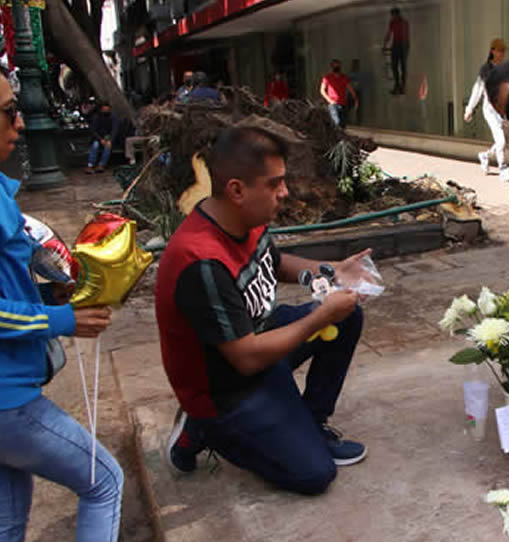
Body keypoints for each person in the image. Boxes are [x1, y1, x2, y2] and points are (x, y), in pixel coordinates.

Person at [156, 126, 371, 495]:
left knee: (348, 314)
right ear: (237, 190)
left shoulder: (243, 220)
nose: (284, 193)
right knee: (313, 475)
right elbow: (246, 359)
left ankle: (310, 423)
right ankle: (203, 427)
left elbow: (274, 262)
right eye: (275, 184)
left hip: (257, 340)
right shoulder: (200, 262)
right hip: (226, 387)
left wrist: (331, 271)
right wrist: (320, 315)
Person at [0, 70, 123, 542]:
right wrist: (61, 319)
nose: (21, 123)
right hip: (8, 402)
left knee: (9, 520)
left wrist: (49, 293)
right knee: (104, 483)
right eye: (10, 112)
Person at [464, 38, 509, 182]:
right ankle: (503, 169)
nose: (502, 53)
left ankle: (485, 156)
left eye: (503, 51)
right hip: (490, 111)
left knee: (502, 141)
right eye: (500, 50)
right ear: (493, 51)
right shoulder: (486, 69)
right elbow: (478, 89)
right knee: (501, 141)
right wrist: (469, 109)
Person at [320, 59, 358, 129]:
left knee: (343, 124)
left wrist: (355, 99)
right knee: (336, 122)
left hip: (343, 103)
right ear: (331, 67)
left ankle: (339, 138)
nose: (337, 67)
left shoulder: (344, 77)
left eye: (338, 65)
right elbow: (322, 90)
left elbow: (350, 89)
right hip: (333, 104)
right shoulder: (327, 78)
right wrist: (330, 100)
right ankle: (336, 137)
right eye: (335, 65)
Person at [86, 101, 118, 174]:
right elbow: (93, 130)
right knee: (95, 145)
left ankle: (101, 165)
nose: (106, 111)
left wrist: (110, 139)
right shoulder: (96, 117)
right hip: (98, 137)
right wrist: (100, 139)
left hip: (108, 137)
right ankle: (90, 165)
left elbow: (115, 130)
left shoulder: (113, 117)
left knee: (108, 146)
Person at [383, 7, 409, 95]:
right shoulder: (392, 23)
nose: (393, 17)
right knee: (394, 66)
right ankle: (397, 85)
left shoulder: (404, 22)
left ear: (398, 14)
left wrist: (404, 48)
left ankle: (403, 86)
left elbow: (406, 35)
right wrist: (385, 44)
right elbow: (389, 34)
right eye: (392, 16)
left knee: (403, 66)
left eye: (394, 15)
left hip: (403, 45)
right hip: (396, 44)